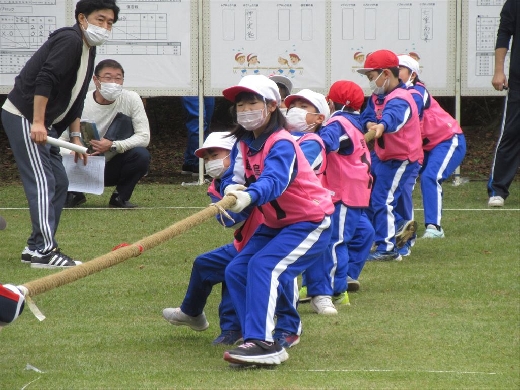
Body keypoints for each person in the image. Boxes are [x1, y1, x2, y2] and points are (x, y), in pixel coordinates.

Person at [219, 75, 334, 366]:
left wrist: (250, 195)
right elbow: (232, 179)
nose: (245, 109)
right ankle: (256, 335)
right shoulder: (243, 144)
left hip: (309, 221)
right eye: (240, 104)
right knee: (236, 270)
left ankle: (264, 343)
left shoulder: (282, 142)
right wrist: (229, 191)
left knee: (264, 267)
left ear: (271, 106)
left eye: (252, 102)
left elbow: (275, 181)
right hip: (274, 224)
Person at [2, 0, 120, 269]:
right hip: (25, 116)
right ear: (82, 18)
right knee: (43, 181)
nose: (105, 27)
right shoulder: (70, 40)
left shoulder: (88, 49)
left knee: (59, 182)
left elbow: (75, 98)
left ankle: (34, 247)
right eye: (100, 20)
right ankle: (45, 251)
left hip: (44, 122)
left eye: (110, 23)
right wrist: (39, 122)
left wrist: (76, 138)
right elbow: (46, 79)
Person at [162, 131, 301, 348]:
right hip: (245, 243)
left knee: (280, 278)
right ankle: (227, 327)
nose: (210, 162)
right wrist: (225, 204)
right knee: (215, 266)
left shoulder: (258, 171)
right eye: (206, 158)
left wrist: (248, 196)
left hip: (277, 238)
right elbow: (231, 222)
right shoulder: (216, 187)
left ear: (235, 154)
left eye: (215, 154)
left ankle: (288, 327)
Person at [357, 50, 423, 262]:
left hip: (402, 158)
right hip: (383, 155)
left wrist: (382, 126)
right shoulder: (378, 96)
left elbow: (394, 117)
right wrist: (368, 124)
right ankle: (399, 226)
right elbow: (367, 116)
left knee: (382, 199)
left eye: (371, 77)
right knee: (367, 196)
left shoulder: (402, 98)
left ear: (385, 74)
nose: (370, 82)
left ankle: (387, 249)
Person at [61, 59, 150, 208]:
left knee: (141, 155)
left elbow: (144, 137)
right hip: (80, 163)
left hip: (113, 166)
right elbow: (60, 139)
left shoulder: (132, 98)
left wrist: (113, 145)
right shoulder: (79, 101)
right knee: (52, 154)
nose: (114, 83)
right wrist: (73, 151)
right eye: (108, 77)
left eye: (118, 78)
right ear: (96, 79)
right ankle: (74, 194)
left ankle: (119, 198)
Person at [283, 88, 340, 315]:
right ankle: (286, 300)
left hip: (309, 207)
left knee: (318, 252)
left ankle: (321, 294)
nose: (295, 110)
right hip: (277, 207)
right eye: (293, 106)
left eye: (304, 107)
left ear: (319, 118)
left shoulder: (312, 140)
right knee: (282, 256)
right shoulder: (276, 136)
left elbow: (292, 169)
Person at [398, 55, 466, 239]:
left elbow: (413, 107)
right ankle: (402, 225)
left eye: (399, 70)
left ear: (412, 74)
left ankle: (434, 228)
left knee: (430, 176)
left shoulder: (418, 91)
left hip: (448, 140)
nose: (394, 74)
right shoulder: (393, 95)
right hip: (423, 147)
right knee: (400, 179)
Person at [318, 80, 375, 292]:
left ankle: (334, 287)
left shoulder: (338, 123)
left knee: (337, 241)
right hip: (357, 194)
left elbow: (327, 142)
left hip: (345, 194)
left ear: (332, 103)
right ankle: (343, 277)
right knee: (359, 234)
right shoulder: (355, 122)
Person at [488, 0, 519, 207]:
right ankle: (497, 190)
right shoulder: (514, 3)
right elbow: (503, 34)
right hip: (518, 81)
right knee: (511, 133)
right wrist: (499, 70)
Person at [180, 96, 215, 176]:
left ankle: (190, 162)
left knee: (205, 123)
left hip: (208, 84)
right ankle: (199, 163)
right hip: (191, 85)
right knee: (198, 121)